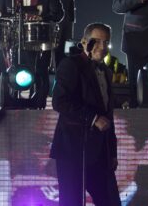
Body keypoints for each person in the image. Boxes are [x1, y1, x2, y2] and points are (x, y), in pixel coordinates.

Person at [50, 23, 120, 206]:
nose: (102, 47)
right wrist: (93, 118)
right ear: (84, 42)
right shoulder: (71, 64)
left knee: (110, 201)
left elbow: (109, 116)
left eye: (106, 42)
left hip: (100, 153)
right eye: (96, 41)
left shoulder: (105, 71)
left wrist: (112, 152)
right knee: (72, 201)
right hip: (73, 150)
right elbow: (59, 102)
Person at [0, 0, 63, 108]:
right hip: (15, 42)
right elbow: (0, 15)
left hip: (41, 40)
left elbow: (58, 15)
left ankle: (38, 105)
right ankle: (10, 105)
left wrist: (40, 16)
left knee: (41, 73)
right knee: (10, 72)